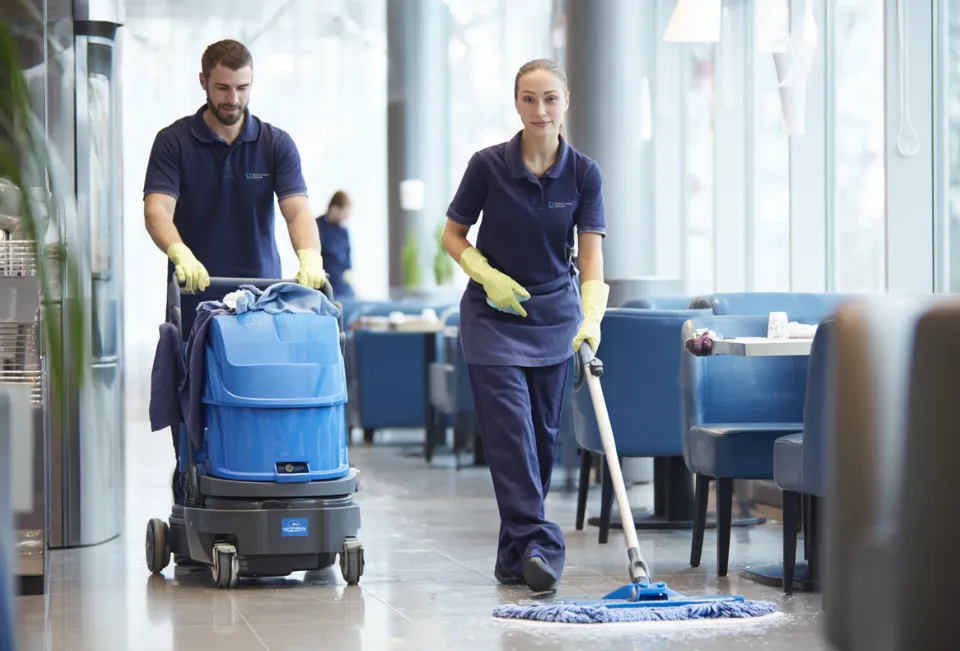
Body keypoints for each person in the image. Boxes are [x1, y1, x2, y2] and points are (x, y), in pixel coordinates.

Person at [441, 59, 609, 592]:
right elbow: (452, 235)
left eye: (550, 99)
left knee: (539, 440)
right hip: (493, 318)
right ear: (516, 103)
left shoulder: (583, 173)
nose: (541, 110)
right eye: (530, 99)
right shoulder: (488, 165)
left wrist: (592, 318)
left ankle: (515, 557)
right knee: (511, 435)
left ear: (565, 103)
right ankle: (542, 543)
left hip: (554, 318)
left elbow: (590, 256)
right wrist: (483, 273)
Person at [142, 39, 326, 515]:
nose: (233, 99)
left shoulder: (274, 144)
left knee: (256, 395)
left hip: (261, 304)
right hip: (195, 293)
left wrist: (309, 257)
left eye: (242, 88)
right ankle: (193, 485)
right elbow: (157, 209)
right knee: (193, 397)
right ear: (203, 81)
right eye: (223, 87)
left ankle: (257, 485)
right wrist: (178, 250)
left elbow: (297, 209)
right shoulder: (174, 141)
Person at [316, 190, 356, 300]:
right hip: (322, 283)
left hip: (341, 284)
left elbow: (347, 265)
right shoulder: (316, 227)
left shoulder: (343, 232)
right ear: (334, 209)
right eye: (345, 212)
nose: (347, 217)